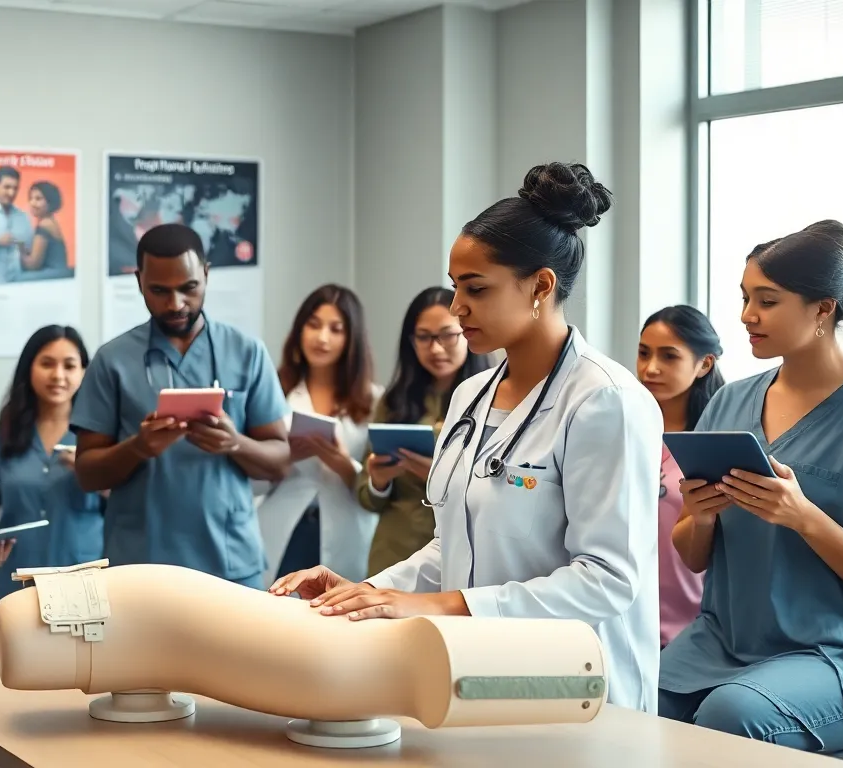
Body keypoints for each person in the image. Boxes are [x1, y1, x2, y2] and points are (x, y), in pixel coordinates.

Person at [272, 162, 663, 714]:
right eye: (456, 286)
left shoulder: (606, 401)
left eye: (475, 288)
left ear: (541, 285)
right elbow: (453, 546)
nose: (457, 307)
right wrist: (369, 593)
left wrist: (441, 605)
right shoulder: (471, 397)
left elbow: (607, 579)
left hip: (580, 687)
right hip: (478, 670)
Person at [660, 220, 843, 753]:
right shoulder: (727, 402)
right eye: (745, 298)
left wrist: (803, 517)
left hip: (837, 656)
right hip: (722, 644)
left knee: (728, 715)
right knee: (629, 698)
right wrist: (702, 516)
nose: (747, 315)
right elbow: (692, 557)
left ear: (822, 309)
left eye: (767, 301)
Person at [73, 223, 290, 588]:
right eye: (159, 290)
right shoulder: (112, 361)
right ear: (139, 281)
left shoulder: (247, 352)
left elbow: (280, 461)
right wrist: (138, 447)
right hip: (142, 566)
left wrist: (235, 443)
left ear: (206, 274)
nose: (175, 304)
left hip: (230, 564)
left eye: (189, 288)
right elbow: (86, 474)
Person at [0, 325, 104, 657]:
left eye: (70, 365)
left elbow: (126, 506)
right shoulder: (6, 435)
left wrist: (90, 468)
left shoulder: (99, 437)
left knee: (80, 682)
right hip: (14, 589)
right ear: (29, 368)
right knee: (4, 682)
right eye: (47, 363)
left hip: (83, 590)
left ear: (84, 372)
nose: (58, 375)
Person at [355, 287, 489, 576]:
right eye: (424, 337)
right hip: (394, 554)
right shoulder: (394, 401)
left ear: (467, 332)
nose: (436, 348)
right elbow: (366, 497)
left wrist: (438, 477)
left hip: (465, 556)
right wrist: (379, 481)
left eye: (447, 335)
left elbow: (498, 498)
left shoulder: (492, 400)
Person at [257, 284, 380, 585]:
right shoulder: (275, 391)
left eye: (335, 329)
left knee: (335, 607)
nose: (322, 338)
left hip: (346, 529)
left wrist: (342, 463)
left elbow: (378, 487)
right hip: (283, 524)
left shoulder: (375, 401)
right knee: (274, 605)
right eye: (313, 325)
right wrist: (283, 457)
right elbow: (253, 479)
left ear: (351, 339)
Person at [636, 306, 723, 647]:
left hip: (693, 628)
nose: (650, 368)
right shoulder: (624, 431)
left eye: (669, 356)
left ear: (705, 364)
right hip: (626, 616)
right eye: (644, 353)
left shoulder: (715, 442)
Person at [16, 181, 72, 282]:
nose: (32, 203)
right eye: (31, 198)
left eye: (38, 199)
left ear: (50, 202)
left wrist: (18, 249)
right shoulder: (50, 222)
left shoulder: (45, 225)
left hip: (53, 277)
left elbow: (33, 265)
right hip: (59, 274)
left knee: (14, 279)